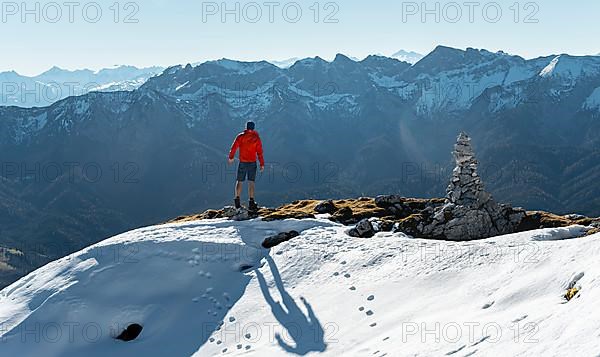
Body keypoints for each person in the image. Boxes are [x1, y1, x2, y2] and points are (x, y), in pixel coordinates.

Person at [228, 121, 265, 210]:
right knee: (251, 182)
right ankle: (251, 203)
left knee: (239, 181)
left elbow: (234, 147)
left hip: (242, 162)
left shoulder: (240, 136)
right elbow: (259, 152)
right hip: (252, 162)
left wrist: (231, 157)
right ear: (253, 128)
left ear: (246, 127)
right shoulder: (256, 138)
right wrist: (262, 163)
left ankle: (237, 202)